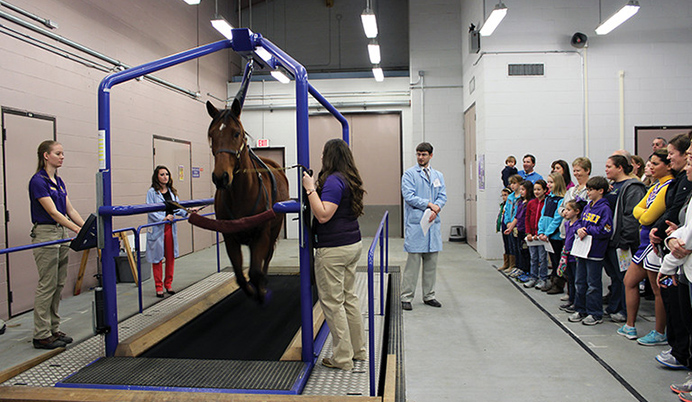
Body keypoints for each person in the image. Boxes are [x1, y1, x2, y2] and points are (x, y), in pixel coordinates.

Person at [302, 138, 366, 371]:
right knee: (349, 298)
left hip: (334, 250)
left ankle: (342, 358)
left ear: (330, 157)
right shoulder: (348, 179)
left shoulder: (333, 182)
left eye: (323, 154)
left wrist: (310, 189)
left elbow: (323, 215)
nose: (321, 158)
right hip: (352, 245)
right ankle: (358, 351)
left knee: (333, 302)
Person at [29, 140, 84, 349]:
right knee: (47, 284)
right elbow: (53, 212)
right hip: (46, 233)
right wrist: (76, 229)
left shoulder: (59, 182)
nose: (62, 157)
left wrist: (87, 226)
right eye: (58, 153)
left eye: (63, 153)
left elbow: (70, 210)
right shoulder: (38, 181)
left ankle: (53, 328)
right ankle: (40, 334)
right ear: (46, 155)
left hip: (60, 232)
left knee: (59, 283)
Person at [618, 150, 674, 344]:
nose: (651, 167)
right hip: (643, 242)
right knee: (629, 281)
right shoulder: (653, 187)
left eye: (656, 163)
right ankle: (630, 325)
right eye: (650, 163)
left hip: (653, 244)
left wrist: (643, 214)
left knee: (657, 289)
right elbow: (637, 210)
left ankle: (660, 332)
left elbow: (647, 217)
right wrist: (642, 214)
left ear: (668, 166)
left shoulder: (668, 186)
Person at [401, 142, 447, 311]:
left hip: (432, 224)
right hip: (416, 225)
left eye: (424, 154)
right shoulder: (409, 174)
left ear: (431, 155)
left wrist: (437, 207)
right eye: (418, 154)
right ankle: (406, 297)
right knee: (412, 265)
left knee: (431, 264)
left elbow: (442, 195)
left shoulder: (438, 175)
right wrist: (429, 205)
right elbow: (409, 196)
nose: (421, 157)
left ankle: (429, 296)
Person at [602, 155, 646, 323]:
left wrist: (626, 240)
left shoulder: (632, 187)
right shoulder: (612, 187)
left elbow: (631, 216)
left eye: (609, 166)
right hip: (609, 239)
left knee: (624, 277)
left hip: (622, 241)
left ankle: (624, 310)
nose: (606, 169)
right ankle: (614, 306)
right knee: (614, 276)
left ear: (620, 167)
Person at [568, 176, 613, 326]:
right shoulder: (588, 206)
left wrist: (588, 230)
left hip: (595, 251)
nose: (588, 192)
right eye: (587, 189)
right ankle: (581, 309)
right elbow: (580, 221)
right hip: (582, 250)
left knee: (593, 283)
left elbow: (606, 229)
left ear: (600, 191)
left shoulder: (604, 208)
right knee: (580, 281)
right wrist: (579, 228)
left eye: (591, 190)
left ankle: (595, 313)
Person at [146, 165, 190, 298]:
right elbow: (150, 210)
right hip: (159, 227)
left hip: (170, 228)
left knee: (170, 258)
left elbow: (177, 208)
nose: (165, 177)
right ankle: (158, 287)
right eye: (162, 174)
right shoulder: (152, 192)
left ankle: (168, 284)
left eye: (167, 174)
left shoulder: (171, 192)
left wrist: (188, 212)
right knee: (157, 258)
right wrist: (163, 218)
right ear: (156, 177)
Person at [538, 172, 566, 292]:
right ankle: (553, 281)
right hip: (546, 235)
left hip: (555, 236)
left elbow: (557, 219)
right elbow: (543, 215)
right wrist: (541, 231)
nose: (548, 184)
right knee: (553, 260)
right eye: (548, 182)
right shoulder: (549, 198)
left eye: (551, 182)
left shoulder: (561, 200)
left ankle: (559, 284)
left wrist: (548, 233)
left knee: (557, 261)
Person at [558, 199, 584, 313]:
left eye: (568, 210)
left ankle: (577, 302)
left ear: (577, 211)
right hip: (567, 254)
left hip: (575, 255)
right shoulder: (567, 223)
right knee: (570, 279)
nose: (565, 212)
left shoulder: (579, 225)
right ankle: (571, 299)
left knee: (576, 280)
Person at [524, 180, 548, 289]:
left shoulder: (546, 202)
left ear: (545, 190)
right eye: (535, 189)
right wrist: (528, 232)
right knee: (533, 257)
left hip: (541, 236)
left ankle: (543, 278)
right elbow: (527, 218)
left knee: (542, 258)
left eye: (539, 189)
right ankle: (533, 277)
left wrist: (539, 233)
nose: (536, 192)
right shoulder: (531, 203)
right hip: (531, 236)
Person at [501, 175, 523, 273]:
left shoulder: (521, 198)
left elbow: (518, 213)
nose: (512, 186)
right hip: (509, 224)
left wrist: (513, 223)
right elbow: (506, 211)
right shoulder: (510, 197)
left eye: (515, 183)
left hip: (516, 225)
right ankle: (509, 264)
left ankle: (517, 265)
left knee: (517, 246)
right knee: (509, 244)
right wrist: (507, 222)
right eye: (511, 184)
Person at [497, 188, 512, 271]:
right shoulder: (503, 204)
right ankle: (506, 263)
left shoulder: (511, 204)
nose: (503, 197)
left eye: (505, 195)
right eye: (502, 195)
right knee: (506, 244)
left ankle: (512, 264)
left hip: (509, 226)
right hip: (503, 226)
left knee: (511, 245)